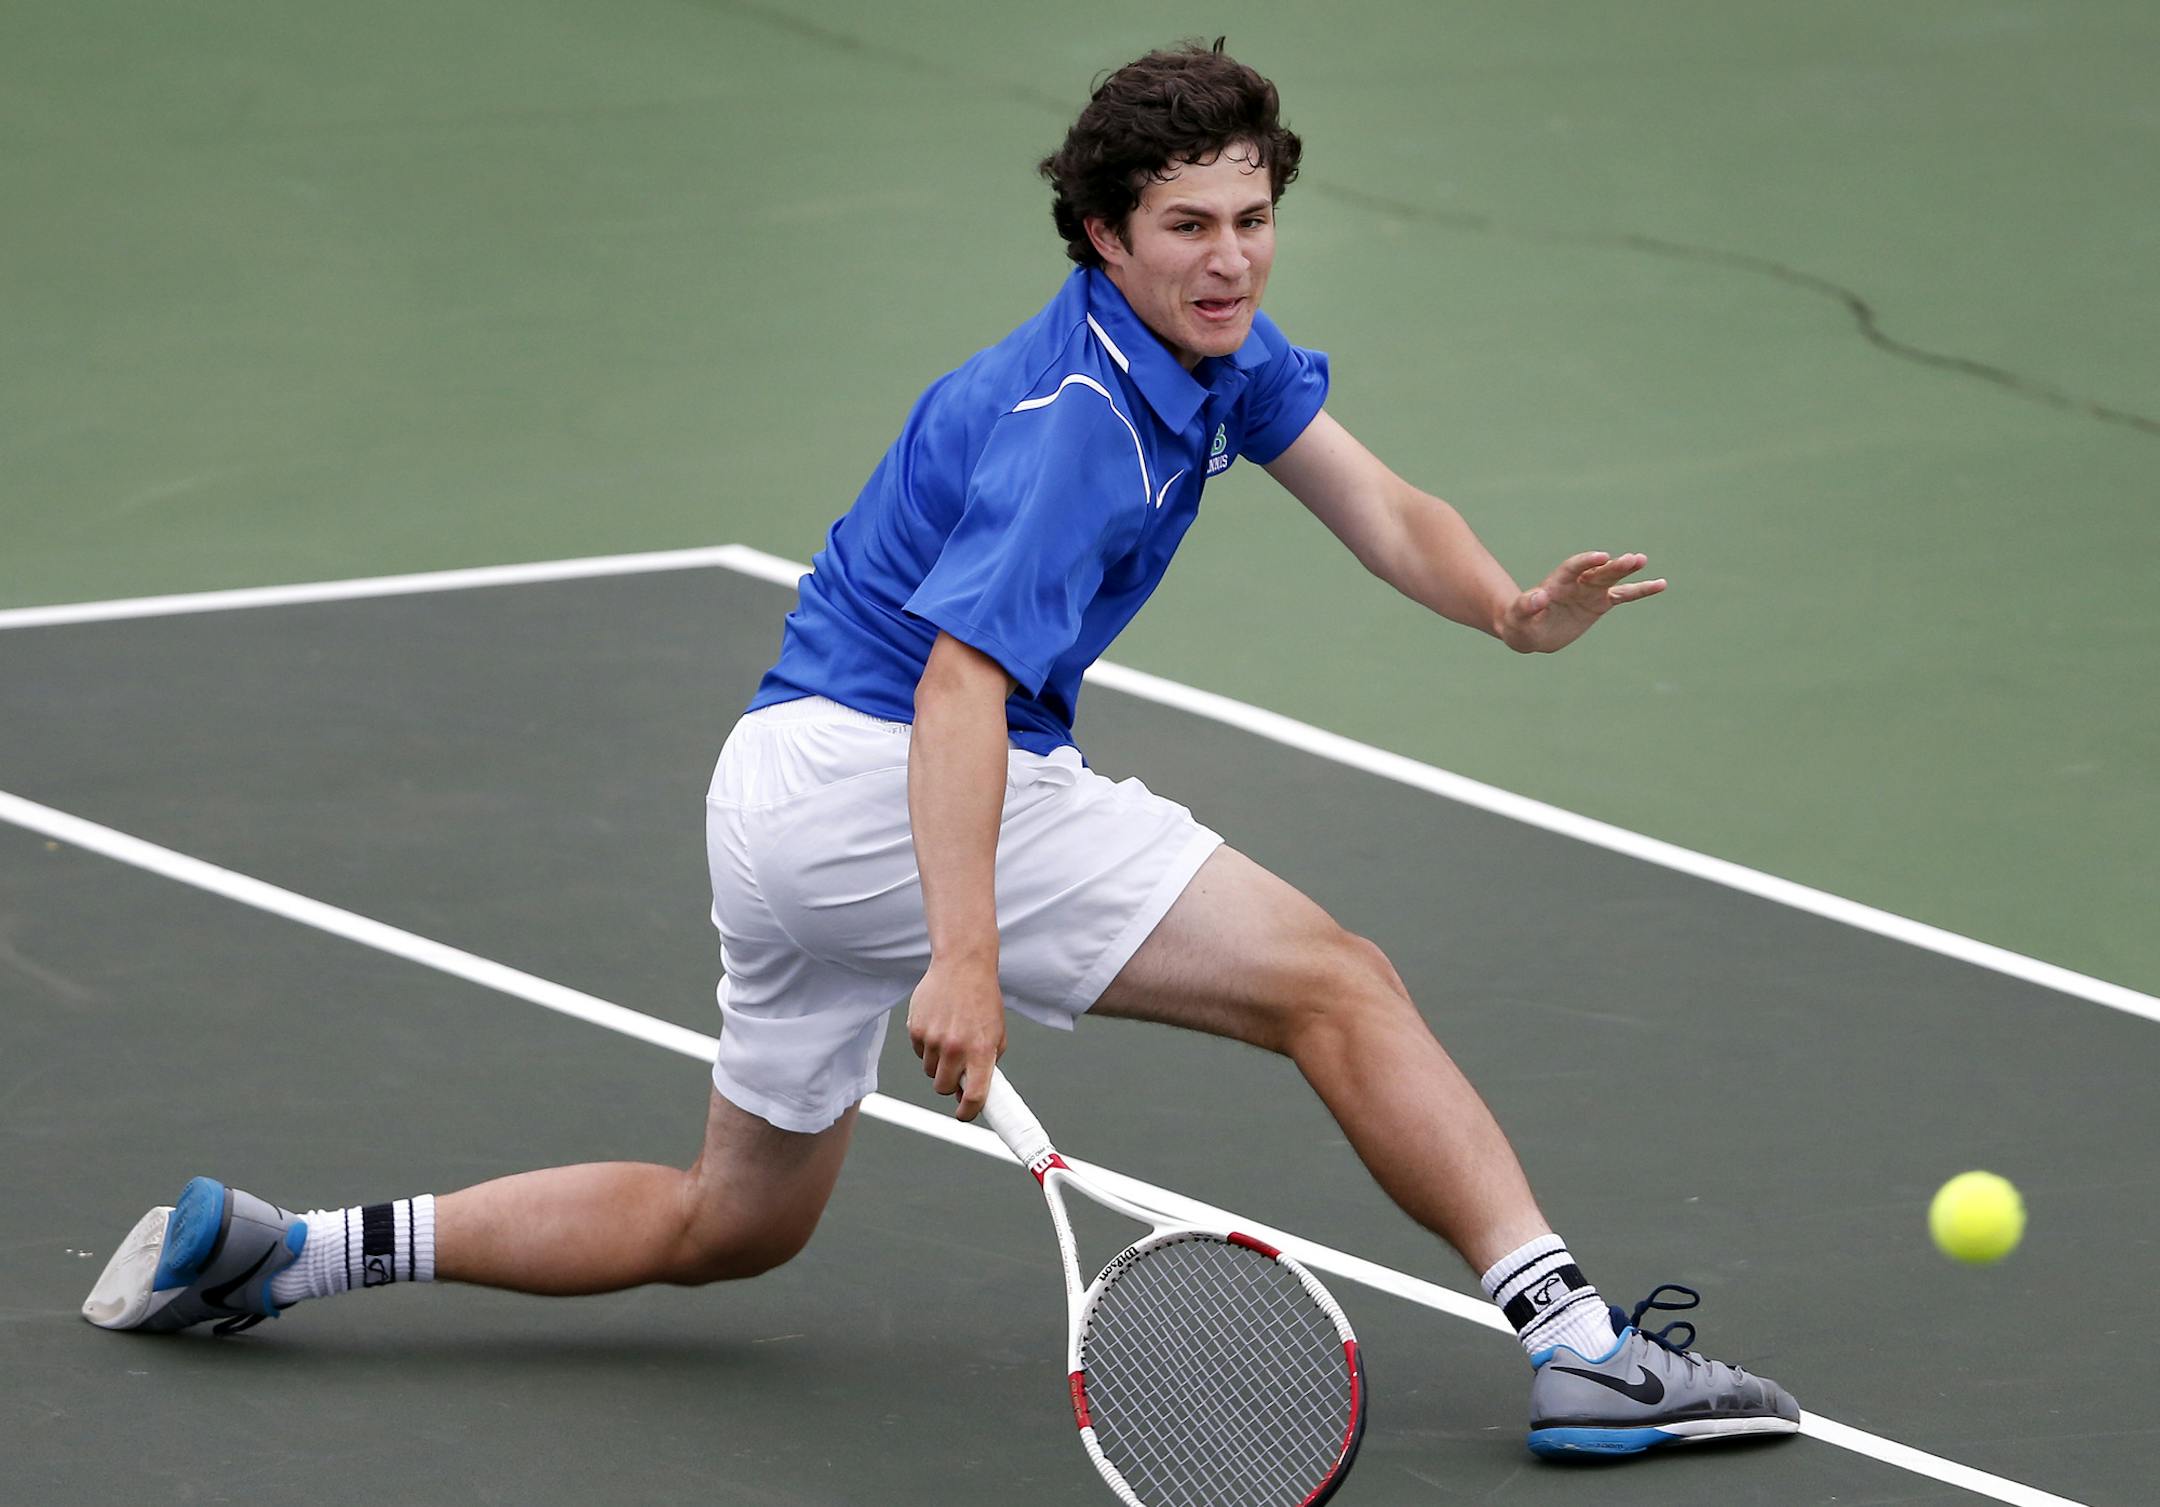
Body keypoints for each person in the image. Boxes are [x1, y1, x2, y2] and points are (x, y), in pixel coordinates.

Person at [84, 40, 1799, 1460]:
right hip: (886, 779)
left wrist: (1504, 607)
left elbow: (1374, 498)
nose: (1230, 257)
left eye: (1253, 219)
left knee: (733, 1221)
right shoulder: (1072, 429)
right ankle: (1577, 1341)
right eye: (1187, 226)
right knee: (1335, 983)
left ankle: (289, 1254)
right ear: (1101, 238)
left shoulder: (1212, 352)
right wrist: (964, 957)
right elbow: (964, 689)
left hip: (773, 793)